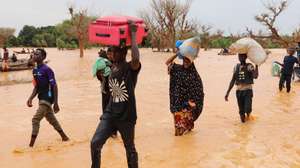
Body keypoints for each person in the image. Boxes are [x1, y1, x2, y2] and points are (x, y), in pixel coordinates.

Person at [90, 21, 141, 168]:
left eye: (114, 51)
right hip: (110, 113)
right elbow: (108, 87)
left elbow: (136, 59)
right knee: (95, 143)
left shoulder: (130, 68)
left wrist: (132, 33)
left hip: (127, 116)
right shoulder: (112, 67)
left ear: (124, 53)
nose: (110, 53)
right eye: (110, 51)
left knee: (129, 148)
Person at [26, 48, 69, 147]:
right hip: (41, 97)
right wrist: (30, 98)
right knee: (51, 119)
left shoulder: (47, 69)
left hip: (48, 97)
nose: (35, 56)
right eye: (34, 54)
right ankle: (65, 138)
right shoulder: (35, 70)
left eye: (38, 54)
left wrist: (56, 102)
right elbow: (36, 87)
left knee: (35, 120)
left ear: (43, 57)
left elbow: (54, 85)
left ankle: (30, 146)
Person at [165, 51, 204, 136]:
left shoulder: (195, 76)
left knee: (181, 132)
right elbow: (167, 62)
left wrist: (193, 103)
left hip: (187, 106)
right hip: (177, 103)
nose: (186, 62)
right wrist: (177, 54)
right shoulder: (177, 69)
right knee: (178, 131)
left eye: (188, 61)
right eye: (184, 60)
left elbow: (199, 92)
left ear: (191, 61)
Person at [225, 53, 259, 123]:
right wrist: (227, 92)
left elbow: (255, 76)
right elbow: (232, 80)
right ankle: (243, 127)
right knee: (241, 112)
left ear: (246, 57)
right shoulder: (236, 67)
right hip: (239, 91)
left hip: (248, 90)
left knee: (248, 108)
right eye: (239, 56)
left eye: (242, 56)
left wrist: (256, 65)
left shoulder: (249, 66)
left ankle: (248, 115)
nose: (241, 57)